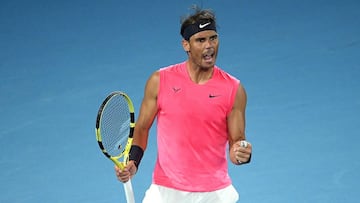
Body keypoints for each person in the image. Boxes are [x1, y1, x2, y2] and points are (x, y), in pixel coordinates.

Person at [115, 6, 252, 203]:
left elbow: (236, 142)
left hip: (213, 194)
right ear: (186, 45)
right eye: (201, 40)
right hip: (165, 190)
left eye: (213, 38)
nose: (209, 46)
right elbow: (143, 128)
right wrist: (133, 162)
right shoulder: (159, 81)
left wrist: (241, 152)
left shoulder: (234, 89)